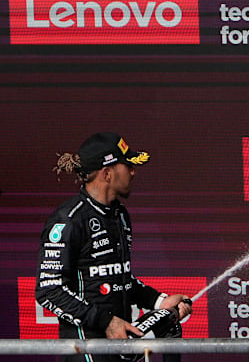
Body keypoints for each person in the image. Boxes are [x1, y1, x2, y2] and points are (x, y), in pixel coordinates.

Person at [35, 132, 193, 362]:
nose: (133, 171)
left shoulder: (119, 215)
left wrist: (158, 301)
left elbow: (119, 277)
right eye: (127, 165)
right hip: (87, 350)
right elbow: (49, 289)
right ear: (107, 173)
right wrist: (106, 322)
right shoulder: (68, 220)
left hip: (120, 345)